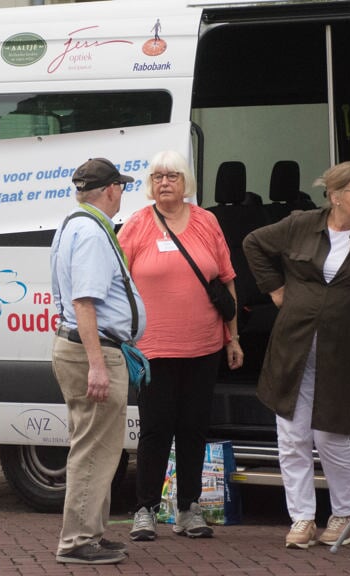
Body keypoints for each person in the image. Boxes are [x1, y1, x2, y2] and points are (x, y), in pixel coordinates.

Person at [242, 161, 350, 549]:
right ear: (335, 197)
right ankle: (301, 519)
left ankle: (347, 515)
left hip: (341, 345)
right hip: (293, 343)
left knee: (330, 433)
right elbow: (253, 243)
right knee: (292, 434)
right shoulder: (300, 223)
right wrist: (275, 290)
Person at [119, 150, 244, 541]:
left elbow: (226, 281)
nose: (165, 183)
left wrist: (233, 337)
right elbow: (116, 282)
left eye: (172, 176)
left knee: (193, 428)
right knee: (155, 428)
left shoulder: (207, 221)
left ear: (185, 181)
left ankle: (189, 510)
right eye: (157, 177)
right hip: (153, 349)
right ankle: (145, 510)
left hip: (204, 344)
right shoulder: (136, 225)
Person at [50, 157, 145, 565]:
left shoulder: (77, 225)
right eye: (120, 187)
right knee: (94, 449)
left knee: (98, 447)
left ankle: (92, 533)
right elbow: (84, 301)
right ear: (109, 190)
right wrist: (97, 364)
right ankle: (77, 541)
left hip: (88, 347)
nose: (122, 193)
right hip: (95, 349)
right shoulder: (91, 233)